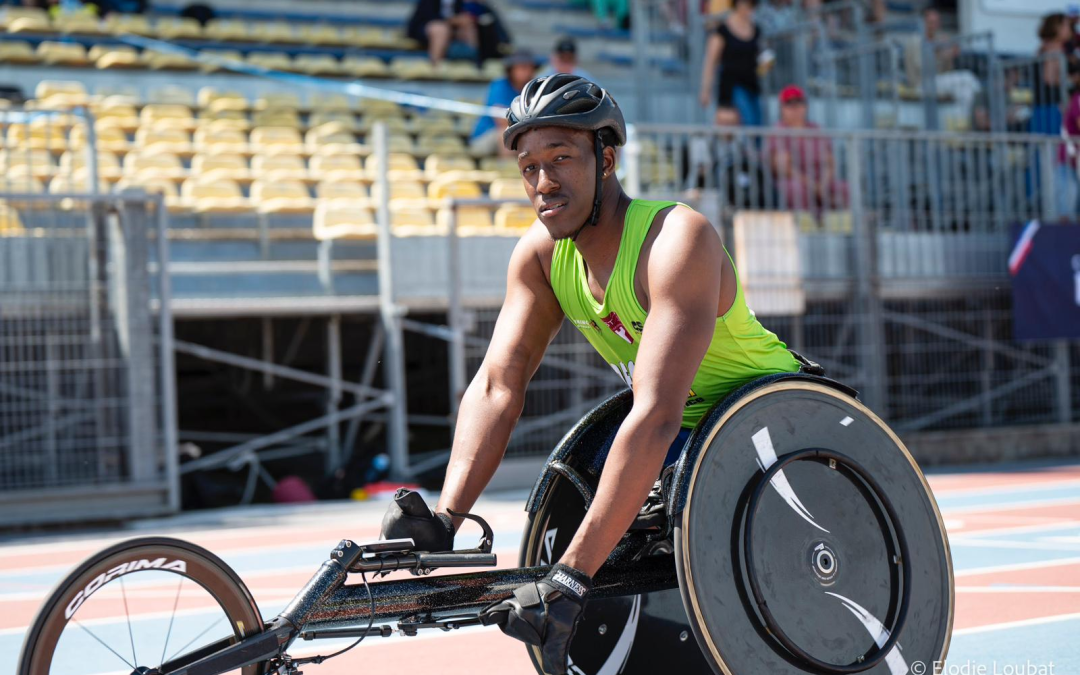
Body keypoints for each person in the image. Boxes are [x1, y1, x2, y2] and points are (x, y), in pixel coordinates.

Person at [381, 74, 801, 675]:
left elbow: (654, 414)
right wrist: (447, 518)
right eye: (529, 168)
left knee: (636, 453)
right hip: (684, 442)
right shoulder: (541, 258)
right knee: (599, 468)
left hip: (769, 427)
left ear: (606, 159)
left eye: (561, 160)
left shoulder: (674, 239)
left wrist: (570, 578)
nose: (544, 183)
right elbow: (500, 383)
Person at [766, 85, 848, 211]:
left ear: (806, 106)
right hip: (794, 182)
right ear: (781, 108)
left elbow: (830, 163)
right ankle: (804, 228)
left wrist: (823, 185)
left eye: (799, 103)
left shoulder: (816, 129)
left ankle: (843, 227)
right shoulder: (779, 131)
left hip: (820, 181)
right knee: (796, 189)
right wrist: (813, 186)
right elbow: (784, 168)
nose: (795, 108)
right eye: (789, 104)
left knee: (843, 188)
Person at [903, 7, 982, 118]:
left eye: (936, 23)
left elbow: (947, 72)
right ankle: (982, 102)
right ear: (923, 23)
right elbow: (922, 69)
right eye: (931, 22)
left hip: (936, 83)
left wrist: (950, 55)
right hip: (920, 84)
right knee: (967, 78)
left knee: (965, 91)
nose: (934, 26)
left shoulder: (938, 39)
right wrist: (939, 52)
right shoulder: (915, 41)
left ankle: (963, 122)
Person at [699, 0, 764, 127]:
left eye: (751, 5)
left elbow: (760, 58)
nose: (748, 8)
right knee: (748, 122)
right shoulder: (722, 30)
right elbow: (710, 62)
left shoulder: (756, 29)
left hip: (752, 85)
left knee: (758, 123)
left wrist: (765, 65)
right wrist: (705, 90)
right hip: (733, 86)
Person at [469, 49, 537, 157]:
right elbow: (502, 122)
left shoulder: (534, 88)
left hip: (520, 134)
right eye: (522, 67)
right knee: (505, 134)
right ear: (511, 69)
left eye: (530, 67)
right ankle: (507, 171)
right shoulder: (499, 86)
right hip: (482, 139)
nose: (527, 71)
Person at [406, 0, 479, 65]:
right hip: (425, 28)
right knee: (441, 29)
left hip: (451, 29)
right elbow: (429, 17)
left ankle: (475, 63)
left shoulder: (461, 2)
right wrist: (453, 20)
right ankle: (435, 65)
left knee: (469, 26)